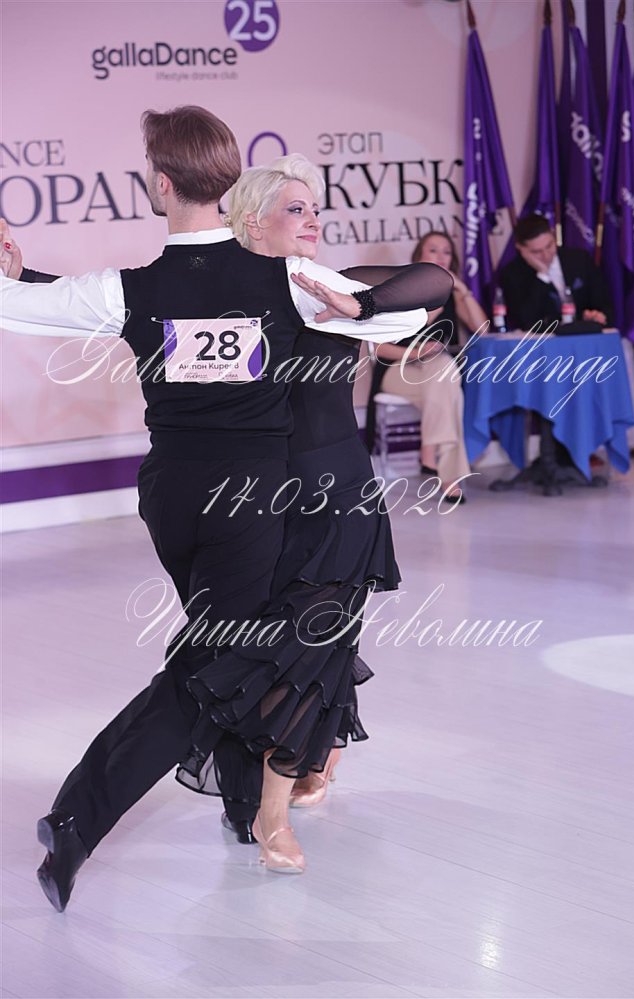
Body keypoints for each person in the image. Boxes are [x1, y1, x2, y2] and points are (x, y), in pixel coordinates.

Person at [0, 105, 433, 909]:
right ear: (227, 183)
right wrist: (361, 310)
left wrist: (12, 277)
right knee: (213, 668)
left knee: (229, 648)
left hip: (171, 497)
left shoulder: (130, 288)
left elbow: (27, 307)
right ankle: (77, 817)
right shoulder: (285, 280)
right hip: (249, 500)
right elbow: (412, 310)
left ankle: (241, 804)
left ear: (163, 184)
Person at [171, 156, 453, 858]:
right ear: (253, 220)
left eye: (316, 208)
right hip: (263, 501)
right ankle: (311, 764)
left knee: (316, 640)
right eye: (296, 209)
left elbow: (435, 281)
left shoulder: (330, 287)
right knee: (293, 644)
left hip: (339, 497)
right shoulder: (225, 299)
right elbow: (124, 312)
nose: (314, 220)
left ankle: (275, 814)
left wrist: (362, 309)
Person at [368, 231, 486, 502]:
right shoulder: (400, 289)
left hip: (437, 372)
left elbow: (482, 329)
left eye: (447, 251)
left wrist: (462, 290)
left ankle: (434, 459)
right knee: (447, 382)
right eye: (433, 250)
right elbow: (379, 348)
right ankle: (444, 470)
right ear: (419, 256)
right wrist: (417, 352)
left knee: (443, 372)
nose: (441, 256)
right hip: (398, 369)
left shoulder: (453, 294)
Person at [498, 213, 614, 331]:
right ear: (520, 248)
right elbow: (525, 321)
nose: (546, 255)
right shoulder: (512, 274)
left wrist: (595, 315)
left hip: (584, 335)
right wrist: (542, 275)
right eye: (536, 252)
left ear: (553, 234)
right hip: (545, 339)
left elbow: (604, 305)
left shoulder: (580, 260)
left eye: (549, 246)